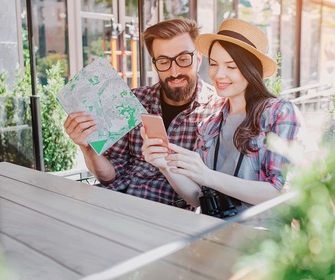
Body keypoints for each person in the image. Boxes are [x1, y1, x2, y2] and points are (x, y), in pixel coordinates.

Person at [141, 19, 308, 224]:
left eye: (231, 66)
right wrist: (164, 165)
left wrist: (207, 175)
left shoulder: (279, 112)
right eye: (214, 64)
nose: (218, 75)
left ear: (250, 69)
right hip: (212, 234)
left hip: (262, 242)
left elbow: (280, 192)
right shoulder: (211, 120)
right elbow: (197, 197)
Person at [64, 18, 223, 209]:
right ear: (155, 64)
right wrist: (88, 148)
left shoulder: (216, 111)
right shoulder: (134, 99)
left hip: (169, 217)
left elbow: (205, 194)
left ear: (198, 59)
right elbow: (109, 176)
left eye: (183, 59)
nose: (174, 72)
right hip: (114, 205)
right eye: (163, 61)